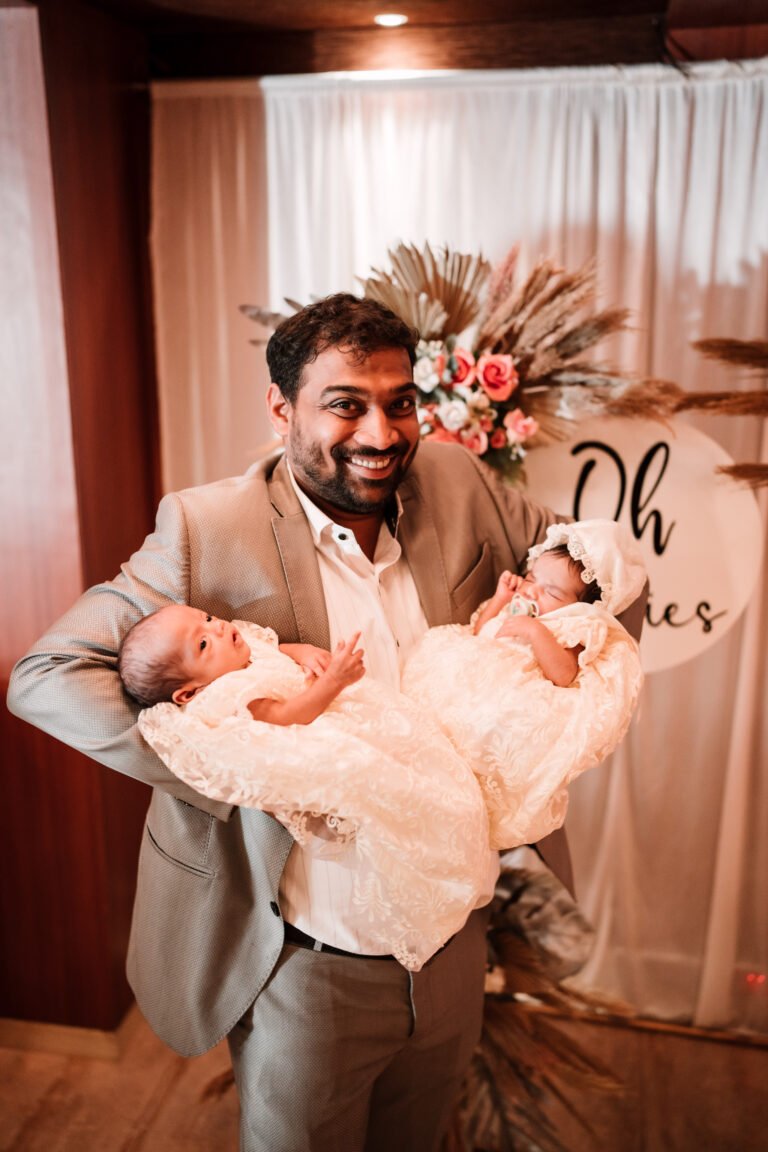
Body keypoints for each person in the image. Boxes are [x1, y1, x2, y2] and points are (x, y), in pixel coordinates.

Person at [7, 292, 645, 1152]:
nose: (382, 434)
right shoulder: (208, 527)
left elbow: (604, 583)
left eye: (400, 403)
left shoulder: (455, 480)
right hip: (308, 959)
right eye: (346, 404)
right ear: (281, 409)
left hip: (455, 940)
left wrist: (542, 711)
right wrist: (241, 756)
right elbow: (47, 674)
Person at [118, 605, 492, 972]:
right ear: (188, 693)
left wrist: (304, 652)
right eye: (202, 644)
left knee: (421, 759)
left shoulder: (238, 651)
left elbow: (275, 649)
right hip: (326, 729)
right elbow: (285, 716)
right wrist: (333, 682)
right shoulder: (228, 693)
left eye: (208, 618)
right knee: (394, 790)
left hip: (360, 715)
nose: (217, 629)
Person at [402, 518, 646, 851]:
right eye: (532, 578)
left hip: (507, 695)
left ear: (580, 607)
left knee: (490, 726)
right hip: (472, 673)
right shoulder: (518, 606)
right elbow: (480, 631)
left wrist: (535, 632)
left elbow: (564, 674)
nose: (532, 591)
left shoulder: (573, 627)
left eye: (551, 592)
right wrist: (500, 599)